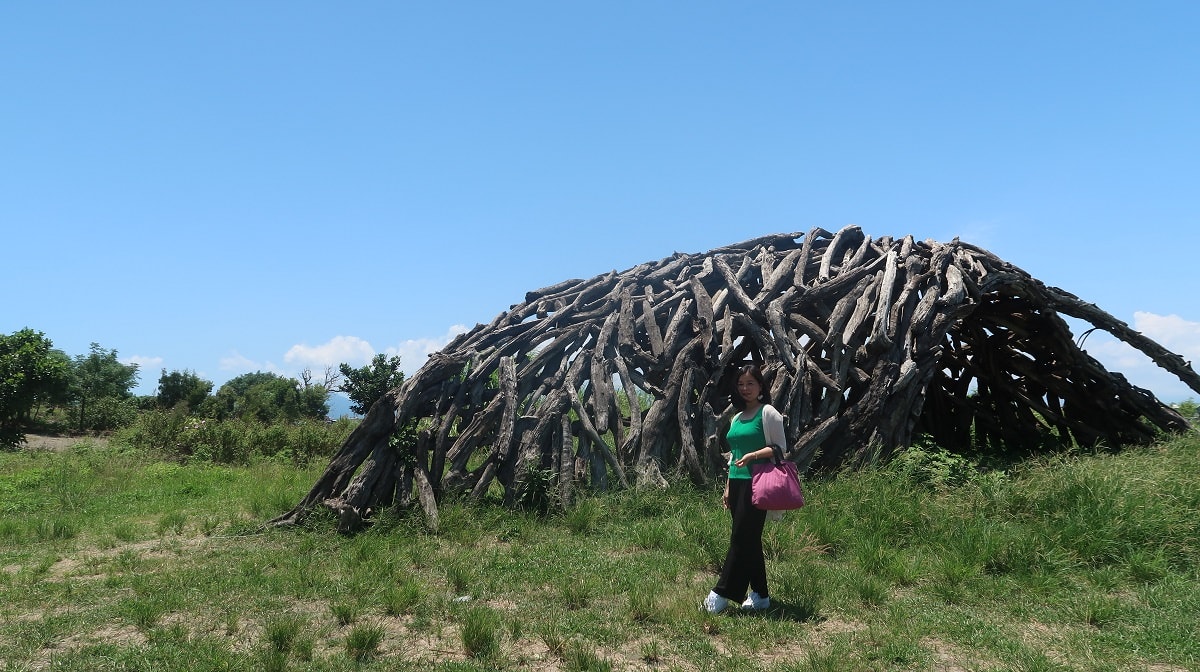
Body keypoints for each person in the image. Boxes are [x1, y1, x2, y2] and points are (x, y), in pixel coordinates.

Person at [703, 363, 788, 613]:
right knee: (749, 540)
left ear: (760, 386)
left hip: (758, 483)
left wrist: (753, 455)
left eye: (750, 383)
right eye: (740, 384)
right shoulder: (737, 417)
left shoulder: (768, 413)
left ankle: (720, 594)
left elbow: (780, 449)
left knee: (740, 538)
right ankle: (761, 595)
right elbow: (733, 455)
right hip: (737, 482)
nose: (745, 388)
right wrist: (728, 487)